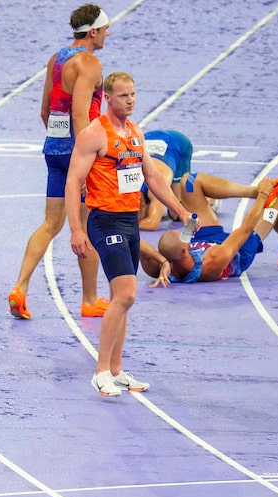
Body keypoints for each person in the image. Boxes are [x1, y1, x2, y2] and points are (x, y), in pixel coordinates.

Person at [65, 72, 191, 397]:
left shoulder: (135, 133)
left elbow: (152, 176)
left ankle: (117, 369)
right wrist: (76, 230)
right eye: (124, 96)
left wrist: (180, 209)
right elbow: (71, 181)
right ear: (109, 98)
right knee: (126, 295)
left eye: (133, 95)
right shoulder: (95, 134)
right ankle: (100, 371)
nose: (130, 100)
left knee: (123, 298)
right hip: (105, 221)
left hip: (129, 223)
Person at [8, 3, 111, 320]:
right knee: (89, 225)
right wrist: (87, 156)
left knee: (51, 223)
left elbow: (45, 111)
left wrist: (60, 144)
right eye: (105, 30)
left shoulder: (56, 60)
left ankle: (20, 287)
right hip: (79, 152)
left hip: (53, 148)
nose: (107, 35)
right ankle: (90, 299)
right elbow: (81, 113)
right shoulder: (89, 63)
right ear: (93, 31)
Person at [151, 165, 278, 284]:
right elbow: (245, 230)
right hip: (237, 250)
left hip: (207, 241)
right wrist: (263, 196)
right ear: (185, 250)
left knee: (189, 181)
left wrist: (188, 222)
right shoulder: (212, 261)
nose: (186, 235)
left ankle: (252, 192)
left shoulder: (166, 264)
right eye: (184, 238)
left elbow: (145, 250)